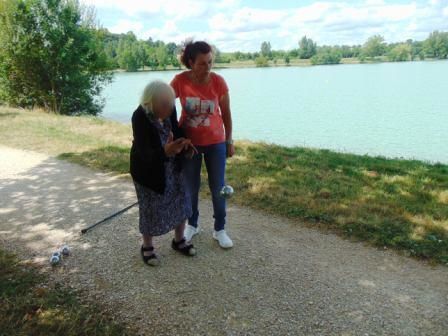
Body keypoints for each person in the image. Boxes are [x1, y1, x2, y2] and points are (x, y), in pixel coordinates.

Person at [170, 41, 235, 249]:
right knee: (191, 187)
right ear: (190, 62)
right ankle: (193, 224)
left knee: (219, 187)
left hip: (216, 142)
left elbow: (226, 113)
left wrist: (229, 140)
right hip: (190, 145)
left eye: (210, 62)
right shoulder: (180, 81)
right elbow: (165, 103)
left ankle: (220, 229)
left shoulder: (218, 82)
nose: (207, 67)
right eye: (202, 63)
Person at [130, 80, 198, 266]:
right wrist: (165, 151)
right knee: (151, 208)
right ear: (150, 103)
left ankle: (179, 240)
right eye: (164, 104)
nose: (169, 108)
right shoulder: (140, 116)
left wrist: (185, 145)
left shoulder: (169, 109)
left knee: (181, 201)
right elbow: (145, 152)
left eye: (171, 103)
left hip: (171, 166)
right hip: (148, 170)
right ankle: (147, 247)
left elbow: (175, 129)